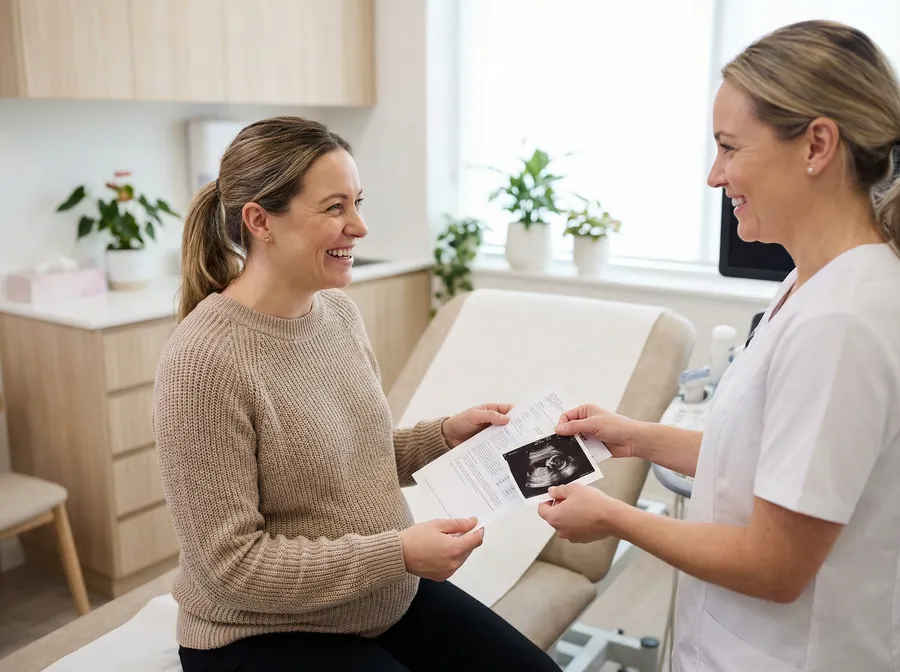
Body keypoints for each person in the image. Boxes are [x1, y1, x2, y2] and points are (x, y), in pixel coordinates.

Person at [537, 20, 900, 672]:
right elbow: (767, 459)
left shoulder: (843, 322)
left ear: (817, 143)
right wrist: (636, 436)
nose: (714, 175)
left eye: (730, 148)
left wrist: (617, 518)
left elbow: (776, 565)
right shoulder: (811, 283)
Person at [154, 116, 560, 671]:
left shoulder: (337, 313)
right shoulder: (203, 362)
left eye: (357, 202)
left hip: (383, 599)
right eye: (335, 207)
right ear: (259, 221)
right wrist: (398, 552)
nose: (360, 227)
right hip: (258, 631)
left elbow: (350, 464)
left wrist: (445, 435)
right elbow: (232, 566)